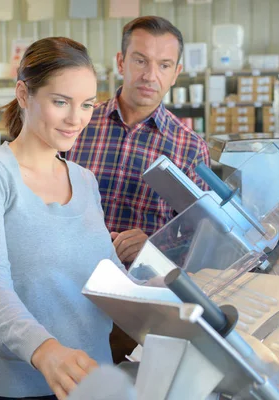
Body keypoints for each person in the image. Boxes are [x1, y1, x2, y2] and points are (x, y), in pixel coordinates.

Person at [0, 37, 124, 400]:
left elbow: (110, 277)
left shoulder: (84, 179)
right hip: (22, 387)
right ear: (23, 94)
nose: (75, 119)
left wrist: (174, 295)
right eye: (60, 102)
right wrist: (45, 351)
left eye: (87, 105)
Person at [64, 16, 211, 363]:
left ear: (176, 73)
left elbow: (200, 241)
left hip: (133, 312)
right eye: (140, 60)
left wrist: (153, 245)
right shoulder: (77, 124)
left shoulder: (189, 148)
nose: (150, 75)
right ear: (121, 62)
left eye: (163, 65)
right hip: (66, 292)